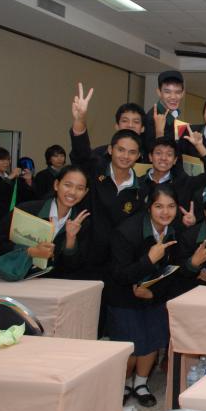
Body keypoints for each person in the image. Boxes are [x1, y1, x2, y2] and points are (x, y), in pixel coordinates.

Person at [108, 185, 181, 407]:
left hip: (154, 295)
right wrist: (148, 260)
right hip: (124, 296)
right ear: (149, 207)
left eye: (171, 206)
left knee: (151, 341)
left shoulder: (174, 231)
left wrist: (153, 293)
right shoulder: (127, 231)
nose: (165, 212)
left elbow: (172, 272)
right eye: (159, 206)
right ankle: (122, 384)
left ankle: (141, 383)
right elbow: (119, 274)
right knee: (129, 346)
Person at [69, 84, 145, 274]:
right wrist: (80, 120)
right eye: (120, 150)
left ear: (138, 156)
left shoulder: (141, 188)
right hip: (85, 258)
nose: (125, 156)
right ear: (110, 150)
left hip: (118, 264)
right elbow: (81, 154)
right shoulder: (95, 168)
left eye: (132, 152)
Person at [0, 165, 90, 280]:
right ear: (56, 185)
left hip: (45, 284)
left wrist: (70, 239)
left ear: (85, 192)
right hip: (4, 277)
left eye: (80, 188)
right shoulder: (27, 210)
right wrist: (30, 251)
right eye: (68, 185)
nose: (73, 192)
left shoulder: (81, 222)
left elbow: (72, 267)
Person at [0, 146, 34, 261]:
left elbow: (28, 199)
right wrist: (10, 178)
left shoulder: (12, 177)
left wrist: (28, 181)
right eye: (2, 160)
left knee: (6, 255)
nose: (6, 162)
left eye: (8, 159)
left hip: (11, 222)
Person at [138, 137, 191, 213]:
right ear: (150, 157)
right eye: (158, 153)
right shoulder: (138, 184)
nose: (163, 158)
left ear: (175, 160)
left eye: (169, 154)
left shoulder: (182, 186)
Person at [143, 70, 185, 153]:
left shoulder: (174, 115)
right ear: (159, 92)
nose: (173, 97)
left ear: (182, 93)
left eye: (178, 92)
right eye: (167, 92)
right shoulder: (151, 119)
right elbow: (151, 153)